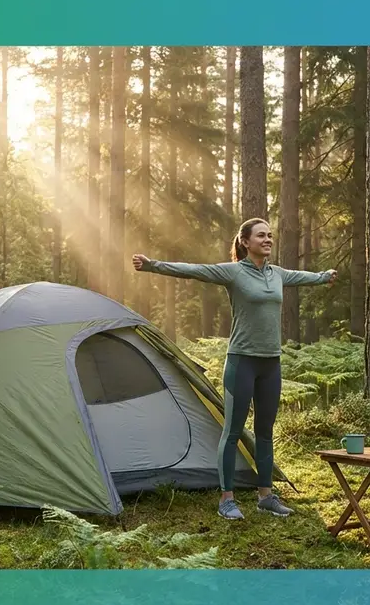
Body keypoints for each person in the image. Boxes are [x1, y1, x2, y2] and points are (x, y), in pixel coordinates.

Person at [132, 217, 337, 520]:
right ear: (245, 242)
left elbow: (305, 277)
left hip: (271, 363)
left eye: (270, 235)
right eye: (261, 236)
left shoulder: (278, 274)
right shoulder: (233, 272)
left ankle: (265, 496)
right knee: (232, 431)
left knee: (265, 431)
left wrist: (323, 276)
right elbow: (193, 271)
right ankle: (227, 499)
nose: (268, 240)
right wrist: (152, 265)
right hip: (242, 361)